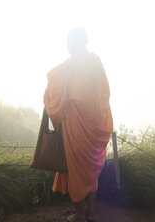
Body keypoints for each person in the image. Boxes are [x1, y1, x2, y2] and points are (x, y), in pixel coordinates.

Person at [43, 27, 113, 222]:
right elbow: (104, 95)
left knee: (77, 171)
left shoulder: (69, 66)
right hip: (96, 126)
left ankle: (80, 214)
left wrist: (49, 98)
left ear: (72, 43)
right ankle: (91, 212)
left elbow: (52, 85)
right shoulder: (95, 62)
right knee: (90, 171)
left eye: (68, 41)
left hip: (76, 126)